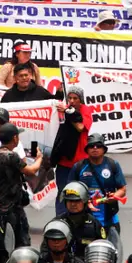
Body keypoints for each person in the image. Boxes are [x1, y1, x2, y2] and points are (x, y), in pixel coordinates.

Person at [0, 122, 44, 248]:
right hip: (10, 209)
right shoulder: (11, 155)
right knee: (21, 245)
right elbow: (31, 171)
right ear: (15, 138)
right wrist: (39, 158)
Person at [66, 134, 126, 252]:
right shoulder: (79, 167)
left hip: (109, 219)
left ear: (103, 149)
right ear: (87, 150)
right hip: (84, 219)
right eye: (91, 146)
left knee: (111, 252)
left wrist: (114, 197)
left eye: (98, 146)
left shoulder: (112, 165)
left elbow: (122, 189)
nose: (95, 148)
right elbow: (69, 191)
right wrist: (85, 202)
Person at [51, 85, 93, 214]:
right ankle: (61, 220)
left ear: (81, 100)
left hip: (81, 162)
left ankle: (81, 218)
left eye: (75, 98)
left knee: (81, 192)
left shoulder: (85, 110)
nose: (72, 101)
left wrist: (68, 112)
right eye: (70, 98)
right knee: (62, 192)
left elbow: (80, 127)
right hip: (64, 161)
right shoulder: (62, 108)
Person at [54, 183, 106, 260]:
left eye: (77, 201)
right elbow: (46, 250)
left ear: (84, 201)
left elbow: (103, 249)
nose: (73, 204)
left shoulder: (94, 224)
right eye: (70, 201)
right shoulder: (57, 223)